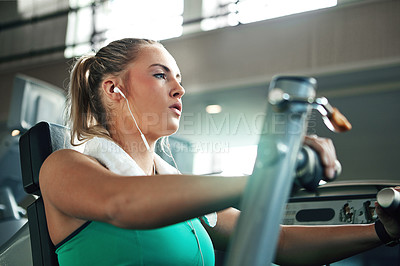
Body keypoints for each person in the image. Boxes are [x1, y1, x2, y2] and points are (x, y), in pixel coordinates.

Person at [39, 38, 400, 266]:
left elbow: (279, 240)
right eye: (161, 75)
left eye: (180, 79)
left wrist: (381, 232)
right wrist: (266, 176)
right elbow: (122, 203)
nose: (180, 89)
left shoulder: (174, 186)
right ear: (114, 89)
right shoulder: (64, 166)